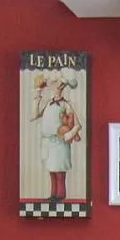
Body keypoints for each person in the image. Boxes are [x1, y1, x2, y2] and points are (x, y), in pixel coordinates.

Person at [29, 70, 82, 201]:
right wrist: (37, 94)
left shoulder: (66, 105)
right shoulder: (48, 103)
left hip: (59, 143)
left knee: (59, 171)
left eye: (58, 86)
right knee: (51, 170)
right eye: (53, 85)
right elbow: (34, 115)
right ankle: (53, 194)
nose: (55, 89)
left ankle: (60, 194)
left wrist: (67, 136)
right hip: (48, 143)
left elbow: (77, 125)